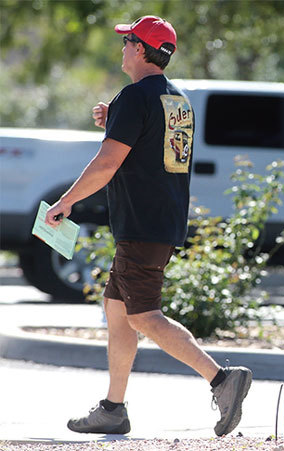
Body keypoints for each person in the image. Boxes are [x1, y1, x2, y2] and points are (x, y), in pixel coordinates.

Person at [45, 16, 252, 436]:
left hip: (141, 226)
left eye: (127, 42)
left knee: (143, 316)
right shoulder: (177, 99)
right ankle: (113, 408)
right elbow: (152, 142)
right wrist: (115, 119)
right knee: (118, 312)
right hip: (162, 221)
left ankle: (222, 380)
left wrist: (66, 203)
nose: (122, 48)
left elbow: (107, 163)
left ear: (140, 50)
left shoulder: (135, 98)